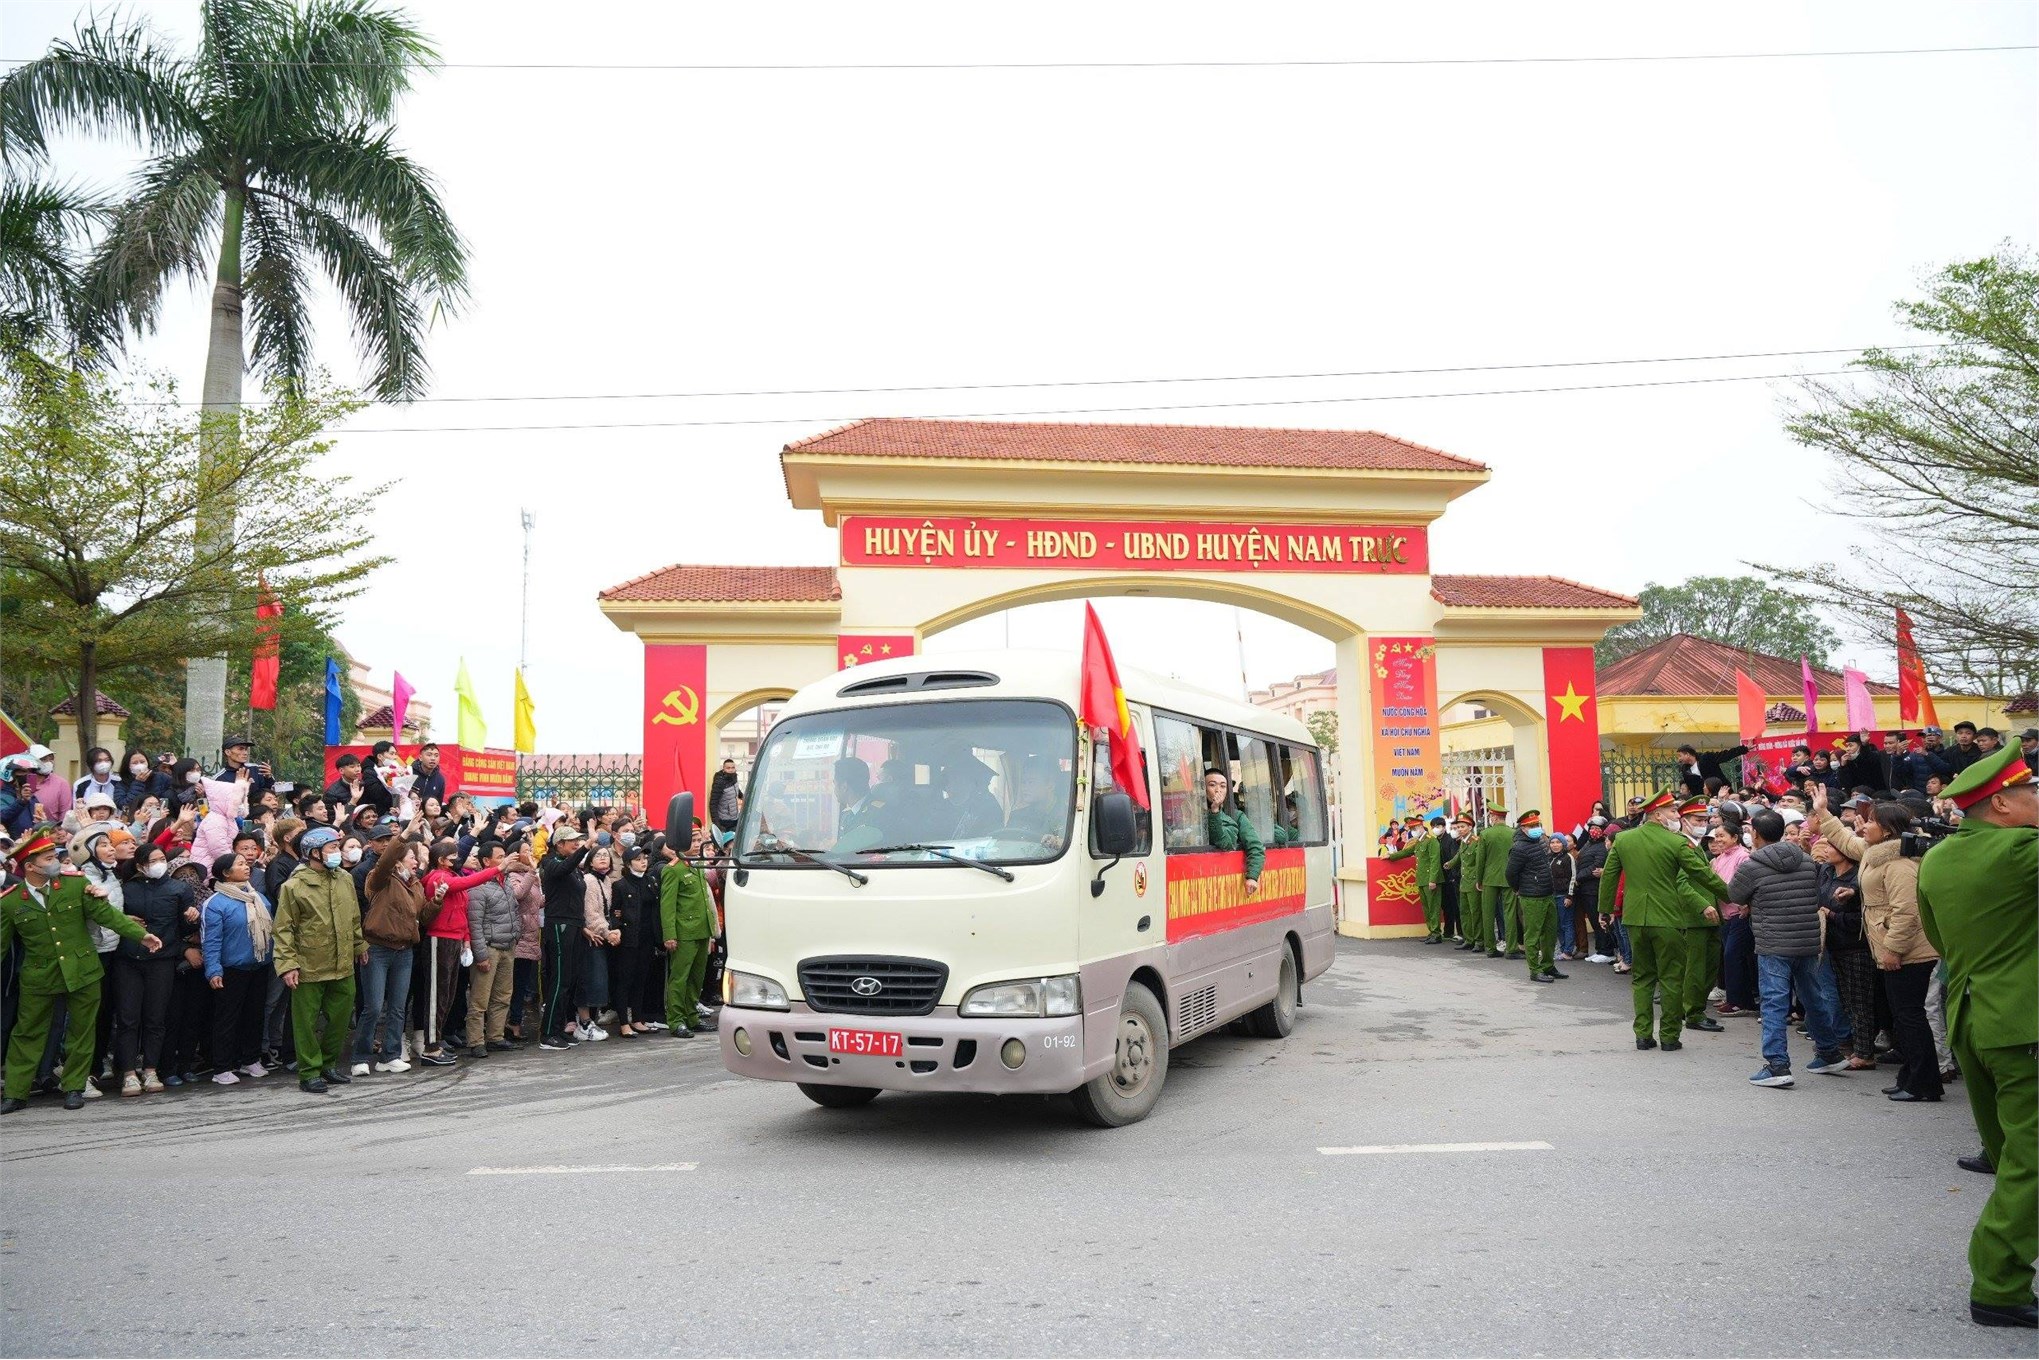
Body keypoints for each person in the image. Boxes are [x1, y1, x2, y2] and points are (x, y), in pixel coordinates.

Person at [1916, 743, 2037, 1328]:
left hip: (1974, 1023)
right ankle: (1999, 1283)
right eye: (2031, 790)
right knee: (2032, 1163)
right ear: (2004, 805)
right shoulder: (2022, 849)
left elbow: (1940, 940)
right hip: (2025, 1025)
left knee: (2016, 1157)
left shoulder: (1940, 859)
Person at [0, 829, 158, 1113]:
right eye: (49, 858)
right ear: (30, 866)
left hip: (82, 970)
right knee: (27, 1034)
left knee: (81, 1031)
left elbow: (107, 915)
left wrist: (140, 935)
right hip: (39, 976)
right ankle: (15, 1092)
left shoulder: (76, 885)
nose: (57, 862)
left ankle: (74, 1087)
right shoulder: (11, 901)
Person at [1813, 786, 1940, 1102]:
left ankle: (1923, 1082)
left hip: (1907, 952)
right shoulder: (1877, 853)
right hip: (1889, 949)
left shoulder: (1899, 862)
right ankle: (1911, 1076)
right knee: (1902, 1015)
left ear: (1887, 829)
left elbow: (1907, 911)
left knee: (1910, 1016)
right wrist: (1823, 812)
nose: (1861, 825)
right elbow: (1844, 841)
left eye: (1868, 821)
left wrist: (1894, 949)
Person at [1725, 809, 1848, 1087]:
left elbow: (1734, 895)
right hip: (1806, 940)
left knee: (1774, 1001)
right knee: (1813, 997)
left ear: (1754, 834)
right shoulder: (1806, 861)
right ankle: (1829, 1052)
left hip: (1773, 942)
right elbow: (1817, 895)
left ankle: (1777, 1064)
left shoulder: (1752, 866)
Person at [1597, 791, 1726, 1052]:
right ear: (1657, 814)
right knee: (1671, 977)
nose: (1677, 816)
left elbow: (1609, 877)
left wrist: (1604, 910)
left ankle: (1643, 1035)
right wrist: (1734, 895)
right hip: (1667, 918)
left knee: (1642, 978)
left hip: (1635, 919)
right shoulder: (1676, 842)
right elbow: (1703, 875)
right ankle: (1669, 1036)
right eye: (1672, 812)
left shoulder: (1623, 839)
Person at [271, 826, 365, 1096]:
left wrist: (359, 945)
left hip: (343, 961)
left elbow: (354, 917)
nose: (338, 852)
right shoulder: (294, 886)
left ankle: (328, 1064)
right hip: (308, 964)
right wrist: (288, 964)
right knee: (306, 1023)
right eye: (332, 848)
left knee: (340, 1017)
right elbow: (284, 928)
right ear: (314, 853)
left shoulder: (344, 879)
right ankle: (309, 1071)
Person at [109, 839, 187, 1096]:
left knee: (156, 1018)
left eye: (161, 860)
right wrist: (124, 919)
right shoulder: (126, 889)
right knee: (128, 1019)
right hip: (128, 960)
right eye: (152, 861)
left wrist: (192, 917)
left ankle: (151, 1069)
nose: (159, 865)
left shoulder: (178, 889)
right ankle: (129, 1073)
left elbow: (185, 929)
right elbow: (111, 917)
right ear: (141, 866)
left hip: (162, 961)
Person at [419, 840, 500, 1066]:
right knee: (437, 996)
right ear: (441, 860)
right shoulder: (438, 877)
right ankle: (431, 1047)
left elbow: (461, 911)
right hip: (439, 939)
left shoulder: (451, 877)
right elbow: (466, 882)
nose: (457, 859)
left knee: (448, 995)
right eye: (452, 856)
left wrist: (465, 940)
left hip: (454, 940)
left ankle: (436, 1041)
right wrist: (497, 869)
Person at [199, 851, 275, 1085]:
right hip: (231, 968)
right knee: (227, 1018)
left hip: (259, 965)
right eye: (239, 864)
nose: (246, 867)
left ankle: (250, 1059)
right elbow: (210, 940)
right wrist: (213, 969)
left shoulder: (259, 898)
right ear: (225, 873)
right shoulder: (216, 902)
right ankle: (222, 1066)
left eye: (246, 863)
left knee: (254, 1015)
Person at [353, 837, 424, 1076]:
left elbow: (420, 915)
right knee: (372, 1007)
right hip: (378, 949)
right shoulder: (380, 878)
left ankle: (390, 1055)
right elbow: (384, 863)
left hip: (404, 950)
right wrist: (404, 836)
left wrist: (435, 902)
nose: (417, 861)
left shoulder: (414, 883)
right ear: (398, 862)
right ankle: (360, 1058)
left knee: (398, 1007)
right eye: (412, 857)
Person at [1813, 835, 1877, 1070]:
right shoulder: (1827, 872)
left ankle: (1865, 1052)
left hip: (1856, 947)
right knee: (1845, 999)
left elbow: (1861, 920)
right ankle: (1850, 1046)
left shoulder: (1858, 879)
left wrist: (1831, 915)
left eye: (1832, 845)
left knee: (1860, 1001)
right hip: (1833, 946)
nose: (1827, 849)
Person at [1674, 796, 1726, 1036]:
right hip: (1695, 917)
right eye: (1698, 819)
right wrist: (1703, 905)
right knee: (1696, 968)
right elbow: (1682, 883)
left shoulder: (1694, 845)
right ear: (1684, 820)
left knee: (1709, 966)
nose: (1703, 823)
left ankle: (1695, 1008)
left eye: (1705, 819)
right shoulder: (1682, 846)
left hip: (1709, 917)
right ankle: (1693, 1012)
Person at [463, 841, 521, 1054]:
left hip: (508, 945)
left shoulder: (505, 882)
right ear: (486, 861)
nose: (505, 859)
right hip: (489, 948)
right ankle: (476, 1041)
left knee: (503, 995)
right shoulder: (478, 886)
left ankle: (495, 1036)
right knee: (480, 998)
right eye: (500, 856)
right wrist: (480, 955)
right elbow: (474, 924)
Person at [661, 829, 718, 1037]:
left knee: (696, 977)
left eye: (699, 840)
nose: (697, 844)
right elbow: (668, 905)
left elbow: (704, 902)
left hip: (701, 931)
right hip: (684, 932)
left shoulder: (696, 866)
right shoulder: (673, 869)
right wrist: (669, 934)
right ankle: (676, 1021)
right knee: (679, 978)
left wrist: (711, 932)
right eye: (693, 840)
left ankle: (692, 1016)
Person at [538, 825, 591, 1050]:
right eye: (572, 841)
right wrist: (587, 846)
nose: (577, 844)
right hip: (559, 925)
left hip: (574, 925)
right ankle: (547, 1033)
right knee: (558, 981)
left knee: (568, 980)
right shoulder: (551, 863)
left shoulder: (574, 868)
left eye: (579, 841)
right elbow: (563, 869)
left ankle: (559, 1029)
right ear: (559, 843)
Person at [604, 843, 659, 1036]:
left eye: (645, 858)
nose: (643, 862)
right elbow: (615, 912)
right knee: (625, 980)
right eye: (638, 859)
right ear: (628, 863)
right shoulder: (620, 884)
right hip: (628, 940)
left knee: (641, 979)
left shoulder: (650, 881)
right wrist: (617, 930)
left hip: (647, 938)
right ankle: (623, 1022)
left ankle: (637, 1018)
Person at [1502, 811, 1561, 982]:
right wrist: (1518, 888)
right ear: (1523, 828)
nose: (1537, 828)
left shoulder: (1539, 841)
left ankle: (1548, 965)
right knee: (1533, 934)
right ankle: (1535, 969)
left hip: (1547, 893)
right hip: (1532, 896)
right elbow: (1510, 873)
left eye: (1538, 825)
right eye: (1532, 826)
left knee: (1550, 932)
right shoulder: (1519, 848)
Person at [1709, 822, 1756, 1016]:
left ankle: (1737, 1000)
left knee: (1732, 955)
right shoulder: (1719, 859)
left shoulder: (1743, 857)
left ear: (1735, 838)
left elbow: (1746, 884)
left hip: (1740, 913)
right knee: (1734, 957)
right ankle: (1741, 999)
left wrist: (1747, 905)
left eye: (1722, 836)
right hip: (1725, 915)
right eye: (1716, 836)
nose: (1718, 840)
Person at [504, 842, 543, 1043]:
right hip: (518, 936)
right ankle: (511, 1022)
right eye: (525, 851)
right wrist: (531, 874)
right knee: (515, 984)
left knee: (522, 982)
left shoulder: (532, 875)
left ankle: (516, 1021)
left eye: (530, 850)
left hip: (531, 934)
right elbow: (518, 894)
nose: (529, 854)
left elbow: (537, 901)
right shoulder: (512, 875)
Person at [1381, 815, 1443, 944]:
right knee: (1426, 907)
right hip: (1421, 879)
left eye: (1414, 828)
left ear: (1421, 827)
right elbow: (1406, 852)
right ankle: (1431, 931)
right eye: (1411, 828)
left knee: (1433, 907)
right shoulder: (1419, 842)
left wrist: (1433, 879)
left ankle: (1436, 933)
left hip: (1430, 880)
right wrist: (1391, 856)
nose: (1412, 831)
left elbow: (1435, 860)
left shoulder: (1431, 841)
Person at [1202, 769, 1264, 895]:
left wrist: (1252, 876)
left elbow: (1226, 843)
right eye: (1212, 785)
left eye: (1223, 786)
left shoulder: (1236, 816)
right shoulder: (1193, 813)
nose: (1218, 790)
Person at [1475, 804, 1516, 958]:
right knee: (1510, 913)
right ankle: (1511, 948)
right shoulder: (1513, 833)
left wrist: (1479, 880)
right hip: (1508, 878)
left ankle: (1490, 948)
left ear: (1494, 817)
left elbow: (1481, 860)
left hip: (1489, 879)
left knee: (1488, 913)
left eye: (1491, 816)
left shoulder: (1485, 834)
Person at [1574, 817, 1614, 962]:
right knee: (1593, 920)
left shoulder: (1602, 847)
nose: (1593, 831)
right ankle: (1599, 949)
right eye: (1591, 828)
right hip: (1585, 890)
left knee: (1600, 922)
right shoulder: (1588, 844)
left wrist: (1578, 877)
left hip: (1593, 889)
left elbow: (1595, 867)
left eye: (1597, 828)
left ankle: (1607, 951)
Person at [1445, 812, 1484, 953]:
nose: (1460, 829)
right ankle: (1469, 939)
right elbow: (1458, 857)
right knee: (1464, 912)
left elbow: (1479, 863)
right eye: (1458, 827)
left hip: (1473, 882)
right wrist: (1449, 863)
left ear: (1470, 827)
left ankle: (1479, 941)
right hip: (1464, 882)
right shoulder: (1463, 842)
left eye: (1462, 826)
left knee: (1476, 912)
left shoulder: (1475, 841)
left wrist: (1479, 881)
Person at [1675, 743, 1749, 797]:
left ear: (1687, 754)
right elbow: (1692, 788)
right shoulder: (1685, 770)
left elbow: (1725, 755)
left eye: (1680, 756)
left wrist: (1744, 749)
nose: (1679, 759)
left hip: (1723, 791)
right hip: (1706, 798)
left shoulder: (1706, 757)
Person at [709, 759, 743, 837]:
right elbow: (713, 804)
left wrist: (743, 797)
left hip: (735, 818)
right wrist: (717, 824)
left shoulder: (734, 777)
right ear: (723, 769)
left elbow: (736, 790)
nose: (731, 770)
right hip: (724, 822)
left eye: (733, 767)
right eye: (728, 768)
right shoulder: (719, 782)